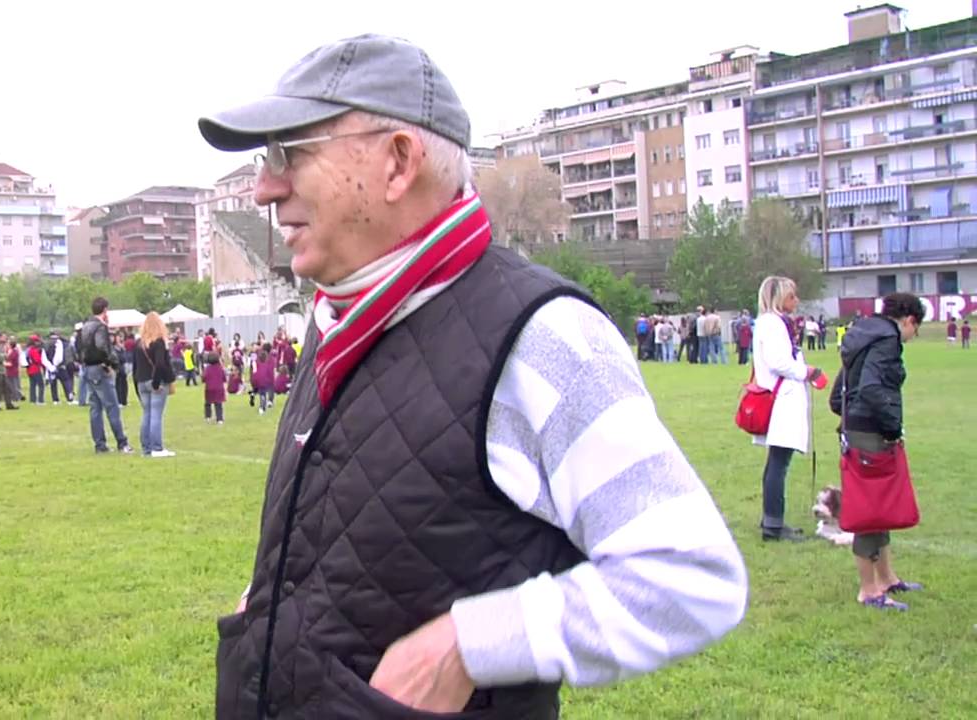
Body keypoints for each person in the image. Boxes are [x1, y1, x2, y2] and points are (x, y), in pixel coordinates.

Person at [199, 34, 747, 718]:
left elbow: (690, 574)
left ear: (398, 163)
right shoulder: (340, 314)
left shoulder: (542, 335)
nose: (265, 188)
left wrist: (469, 645)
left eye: (290, 153)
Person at [828, 292, 924, 611]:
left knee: (879, 506)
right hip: (871, 430)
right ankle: (869, 590)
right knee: (870, 510)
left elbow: (839, 393)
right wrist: (892, 426)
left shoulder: (862, 335)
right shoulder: (886, 340)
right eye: (916, 328)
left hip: (857, 427)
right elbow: (871, 388)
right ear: (909, 320)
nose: (913, 335)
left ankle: (886, 577)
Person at [750, 277, 825, 542]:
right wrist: (807, 372)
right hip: (781, 398)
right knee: (779, 463)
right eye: (792, 296)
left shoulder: (772, 323)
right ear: (779, 298)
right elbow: (779, 361)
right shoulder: (772, 324)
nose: (796, 301)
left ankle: (772, 519)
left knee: (777, 461)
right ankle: (773, 523)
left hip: (781, 396)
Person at [79, 297, 133, 454]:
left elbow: (80, 348)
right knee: (112, 407)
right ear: (104, 310)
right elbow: (102, 346)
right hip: (100, 368)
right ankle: (122, 442)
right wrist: (112, 363)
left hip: (88, 368)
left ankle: (100, 444)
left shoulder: (84, 327)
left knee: (95, 408)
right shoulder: (100, 327)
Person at [134, 312, 176, 457]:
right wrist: (157, 383)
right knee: (156, 415)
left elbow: (136, 366)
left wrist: (137, 385)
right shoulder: (158, 342)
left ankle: (146, 447)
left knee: (147, 414)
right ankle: (157, 448)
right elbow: (160, 363)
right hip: (155, 381)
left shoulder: (139, 344)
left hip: (142, 381)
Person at [203, 351, 227, 424]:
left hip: (209, 388)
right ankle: (219, 419)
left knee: (208, 403)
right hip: (219, 388)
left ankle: (208, 417)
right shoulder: (220, 368)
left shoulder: (207, 368)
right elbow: (224, 378)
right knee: (218, 404)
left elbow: (204, 378)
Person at [250, 347, 274, 414]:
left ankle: (262, 407)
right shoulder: (267, 366)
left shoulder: (257, 365)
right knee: (263, 394)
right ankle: (263, 406)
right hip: (265, 381)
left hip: (259, 381)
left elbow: (254, 373)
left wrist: (254, 382)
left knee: (262, 394)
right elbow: (270, 374)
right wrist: (271, 381)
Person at [25, 335, 46, 405]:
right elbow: (37, 360)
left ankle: (32, 400)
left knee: (32, 385)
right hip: (35, 369)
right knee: (41, 384)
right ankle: (40, 400)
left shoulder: (28, 349)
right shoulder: (33, 350)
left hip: (29, 369)